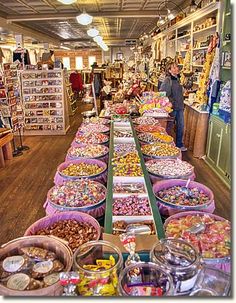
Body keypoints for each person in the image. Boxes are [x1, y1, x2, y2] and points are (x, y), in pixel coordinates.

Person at [159, 62, 187, 151]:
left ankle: (179, 145)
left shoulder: (178, 79)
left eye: (177, 67)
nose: (176, 69)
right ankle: (167, 144)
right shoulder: (168, 80)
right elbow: (162, 93)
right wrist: (171, 102)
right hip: (172, 107)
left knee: (181, 126)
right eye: (174, 68)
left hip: (180, 107)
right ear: (169, 70)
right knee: (169, 127)